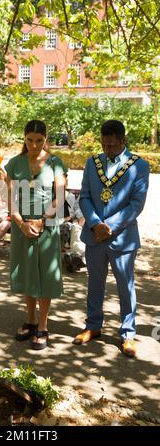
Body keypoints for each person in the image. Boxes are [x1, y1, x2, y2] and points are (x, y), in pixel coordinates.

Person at [73, 119, 149, 358]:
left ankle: (127, 333)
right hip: (94, 235)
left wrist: (110, 227)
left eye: (113, 146)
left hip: (123, 237)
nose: (108, 149)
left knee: (125, 286)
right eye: (105, 145)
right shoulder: (91, 163)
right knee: (95, 283)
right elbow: (84, 196)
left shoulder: (140, 165)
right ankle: (93, 325)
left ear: (123, 141)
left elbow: (137, 204)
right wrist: (95, 223)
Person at [5, 120, 66, 350]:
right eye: (30, 140)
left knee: (45, 275)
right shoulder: (14, 164)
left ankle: (43, 324)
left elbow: (59, 197)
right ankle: (30, 319)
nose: (34, 144)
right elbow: (10, 200)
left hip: (47, 225)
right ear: (24, 138)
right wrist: (20, 224)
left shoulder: (56, 163)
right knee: (28, 271)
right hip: (22, 227)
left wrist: (41, 221)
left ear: (46, 139)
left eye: (39, 140)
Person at [61, 173, 86, 271]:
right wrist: (81, 216)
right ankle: (76, 257)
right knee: (76, 228)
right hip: (81, 220)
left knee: (74, 227)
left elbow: (69, 214)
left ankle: (76, 257)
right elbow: (77, 206)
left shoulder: (69, 196)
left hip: (98, 221)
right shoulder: (85, 191)